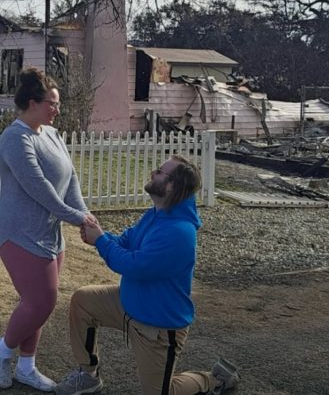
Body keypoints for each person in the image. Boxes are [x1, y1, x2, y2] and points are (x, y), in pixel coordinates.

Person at [55, 155, 240, 395]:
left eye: (160, 172)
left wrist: (100, 240)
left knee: (162, 392)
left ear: (172, 185)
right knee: (83, 301)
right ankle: (88, 376)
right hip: (129, 304)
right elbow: (126, 241)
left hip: (157, 327)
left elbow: (134, 265)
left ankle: (214, 380)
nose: (153, 173)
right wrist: (99, 234)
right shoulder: (156, 214)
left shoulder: (179, 233)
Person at [0, 67, 97, 392]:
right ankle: (1, 354)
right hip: (18, 232)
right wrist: (75, 218)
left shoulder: (51, 134)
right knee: (41, 301)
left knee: (36, 302)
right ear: (32, 102)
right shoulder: (14, 137)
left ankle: (26, 367)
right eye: (52, 103)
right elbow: (37, 187)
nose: (57, 109)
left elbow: (70, 179)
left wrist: (83, 213)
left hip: (51, 233)